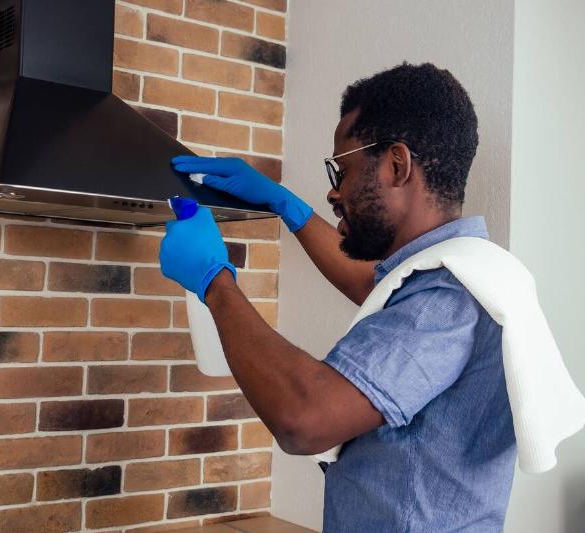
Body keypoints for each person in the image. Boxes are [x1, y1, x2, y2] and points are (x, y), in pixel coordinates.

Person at [159, 63, 516, 531]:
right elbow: (373, 286)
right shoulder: (460, 272)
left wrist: (214, 281)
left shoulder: (446, 299)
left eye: (341, 169)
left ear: (396, 164)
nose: (333, 189)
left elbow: (304, 418)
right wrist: (284, 204)